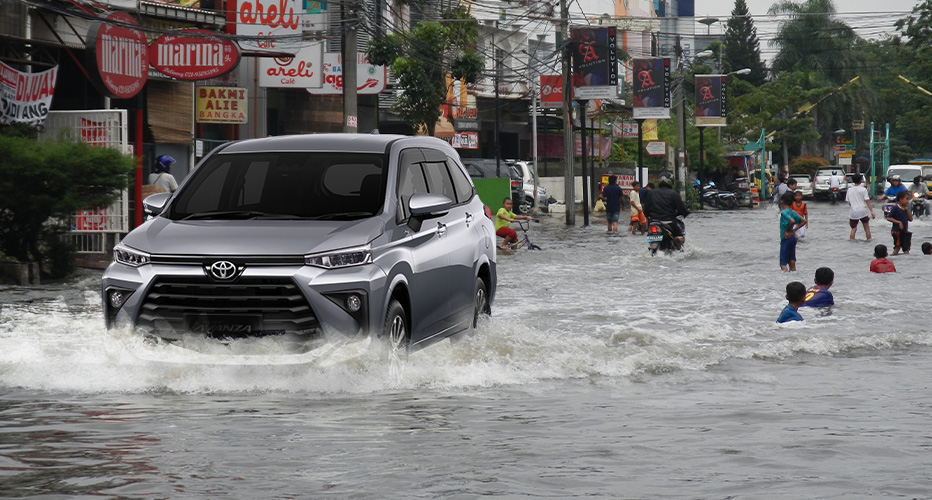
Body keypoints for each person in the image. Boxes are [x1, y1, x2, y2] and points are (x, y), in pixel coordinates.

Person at [643, 172, 690, 247]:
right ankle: (677, 242)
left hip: (653, 223)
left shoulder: (651, 193)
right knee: (680, 235)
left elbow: (646, 209)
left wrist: (650, 217)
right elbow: (682, 209)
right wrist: (685, 212)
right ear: (671, 182)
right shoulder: (674, 194)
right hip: (669, 222)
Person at [778, 192, 806, 271]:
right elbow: (804, 221)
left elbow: (792, 221)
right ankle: (793, 277)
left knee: (782, 263)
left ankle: (785, 278)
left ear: (781, 201)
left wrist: (787, 231)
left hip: (786, 238)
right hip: (793, 238)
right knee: (791, 261)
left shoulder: (784, 212)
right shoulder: (793, 212)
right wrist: (793, 230)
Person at [845, 173, 874, 240]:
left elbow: (848, 202)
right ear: (860, 180)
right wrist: (871, 211)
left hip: (853, 212)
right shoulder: (863, 189)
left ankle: (852, 242)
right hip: (862, 211)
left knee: (853, 229)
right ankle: (869, 240)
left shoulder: (849, 190)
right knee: (866, 228)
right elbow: (867, 201)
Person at [886, 190, 913, 255]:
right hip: (896, 231)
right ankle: (893, 256)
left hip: (904, 231)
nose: (908, 201)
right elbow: (889, 218)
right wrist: (899, 222)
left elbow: (910, 219)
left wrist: (907, 211)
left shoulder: (906, 209)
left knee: (906, 247)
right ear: (900, 199)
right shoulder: (896, 208)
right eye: (906, 199)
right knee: (897, 246)